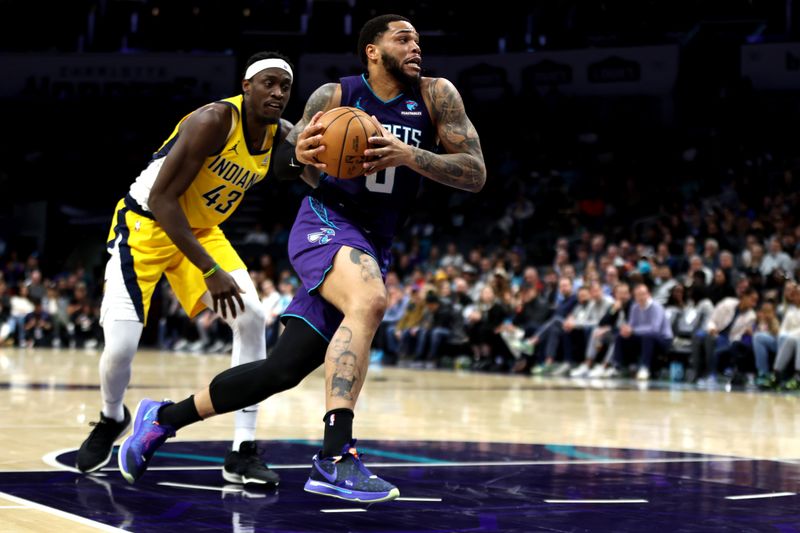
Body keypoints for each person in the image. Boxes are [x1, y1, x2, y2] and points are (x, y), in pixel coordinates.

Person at [117, 14, 486, 504]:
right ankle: (336, 457)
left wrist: (406, 154)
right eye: (403, 38)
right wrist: (307, 157)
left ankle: (161, 419)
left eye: (419, 38)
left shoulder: (438, 96)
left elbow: (475, 172)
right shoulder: (334, 96)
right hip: (325, 223)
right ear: (372, 51)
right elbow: (290, 165)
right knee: (371, 300)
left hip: (376, 241)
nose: (416, 46)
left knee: (282, 370)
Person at [76, 52, 298, 488]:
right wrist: (209, 268)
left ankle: (242, 449)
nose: (277, 93)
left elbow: (303, 172)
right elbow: (162, 200)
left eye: (285, 86)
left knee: (252, 317)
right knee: (120, 348)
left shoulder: (282, 133)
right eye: (268, 83)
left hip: (200, 230)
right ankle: (110, 416)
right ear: (246, 85)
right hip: (146, 224)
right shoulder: (213, 120)